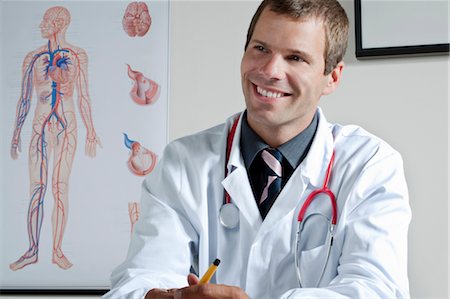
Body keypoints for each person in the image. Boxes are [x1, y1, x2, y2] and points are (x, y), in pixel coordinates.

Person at [103, 0, 411, 298]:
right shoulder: (184, 163)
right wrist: (170, 298)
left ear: (331, 77)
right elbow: (137, 281)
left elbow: (377, 289)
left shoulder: (370, 166)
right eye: (261, 48)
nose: (270, 70)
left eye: (295, 58)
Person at [10, 6, 101, 271]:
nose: (41, 25)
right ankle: (32, 250)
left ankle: (56, 251)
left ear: (59, 23)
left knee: (59, 187)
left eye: (46, 21)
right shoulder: (32, 57)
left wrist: (91, 130)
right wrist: (16, 133)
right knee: (37, 187)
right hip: (39, 125)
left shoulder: (77, 55)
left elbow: (84, 95)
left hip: (67, 124)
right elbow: (24, 98)